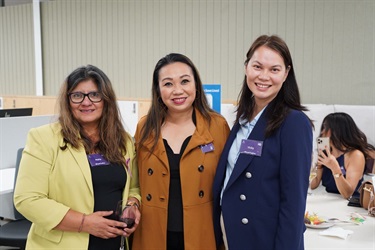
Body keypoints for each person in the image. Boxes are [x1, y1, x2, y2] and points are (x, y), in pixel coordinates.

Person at [13, 65, 141, 249]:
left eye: (95, 95)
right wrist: (85, 223)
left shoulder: (124, 141)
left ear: (106, 100)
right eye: (77, 95)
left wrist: (133, 204)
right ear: (68, 101)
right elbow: (27, 199)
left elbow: (134, 187)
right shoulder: (44, 138)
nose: (86, 102)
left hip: (114, 243)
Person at [213, 35, 313, 250]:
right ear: (246, 67)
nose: (264, 76)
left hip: (263, 239)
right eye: (257, 66)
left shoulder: (293, 123)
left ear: (286, 73)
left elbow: (293, 204)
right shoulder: (242, 119)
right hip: (231, 232)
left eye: (274, 70)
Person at [131, 53, 230, 249]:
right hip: (153, 232)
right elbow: (135, 181)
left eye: (185, 81)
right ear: (158, 90)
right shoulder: (145, 127)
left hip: (202, 232)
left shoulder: (217, 126)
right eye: (168, 84)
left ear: (196, 85)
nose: (177, 90)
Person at [310, 112, 375, 199]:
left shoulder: (355, 155)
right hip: (330, 200)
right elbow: (313, 185)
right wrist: (318, 167)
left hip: (349, 204)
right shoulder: (326, 152)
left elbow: (347, 193)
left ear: (338, 131)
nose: (322, 132)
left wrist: (335, 168)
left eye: (325, 128)